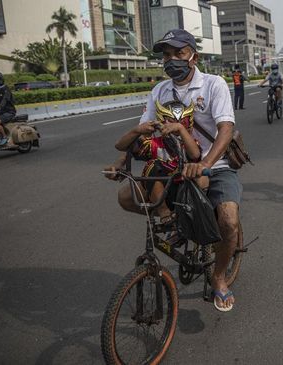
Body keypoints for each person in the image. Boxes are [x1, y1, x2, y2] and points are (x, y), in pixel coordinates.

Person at [104, 29, 242, 312]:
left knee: (228, 220)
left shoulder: (213, 84)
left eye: (179, 53)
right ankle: (178, 221)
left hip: (213, 166)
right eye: (167, 55)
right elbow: (144, 132)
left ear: (194, 56)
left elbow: (225, 129)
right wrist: (121, 161)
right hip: (172, 168)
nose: (172, 60)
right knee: (127, 198)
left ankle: (218, 277)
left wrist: (204, 164)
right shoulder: (159, 91)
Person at [114, 100, 205, 229]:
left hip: (186, 190)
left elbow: (195, 155)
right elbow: (120, 146)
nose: (175, 126)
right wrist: (137, 130)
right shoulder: (154, 144)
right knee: (153, 165)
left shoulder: (189, 143)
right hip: (162, 193)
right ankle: (164, 212)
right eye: (170, 121)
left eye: (182, 122)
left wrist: (180, 128)